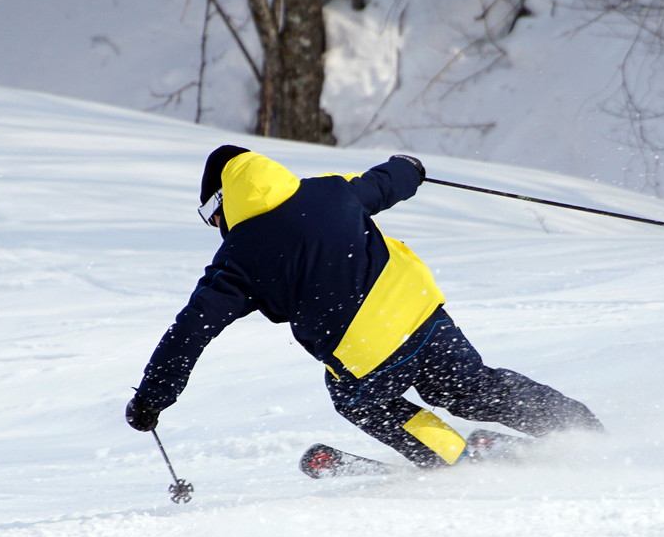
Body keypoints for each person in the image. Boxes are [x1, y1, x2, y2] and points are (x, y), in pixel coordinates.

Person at [126, 146, 602, 468]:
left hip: (367, 352)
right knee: (472, 386)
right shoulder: (329, 191)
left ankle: (452, 455)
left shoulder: (238, 259)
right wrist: (409, 167)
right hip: (421, 314)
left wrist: (152, 398)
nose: (216, 226)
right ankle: (581, 429)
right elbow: (386, 182)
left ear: (226, 200)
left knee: (355, 399)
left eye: (213, 214)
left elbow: (190, 331)